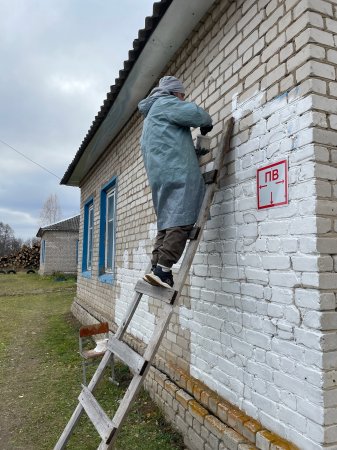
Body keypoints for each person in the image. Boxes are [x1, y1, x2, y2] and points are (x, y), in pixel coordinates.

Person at [138, 76, 213, 288]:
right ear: (173, 93)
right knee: (181, 218)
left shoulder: (151, 117)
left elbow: (168, 146)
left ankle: (155, 267)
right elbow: (195, 114)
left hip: (160, 176)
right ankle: (163, 270)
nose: (182, 99)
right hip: (178, 173)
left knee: (167, 221)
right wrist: (206, 123)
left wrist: (192, 152)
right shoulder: (165, 103)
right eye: (181, 95)